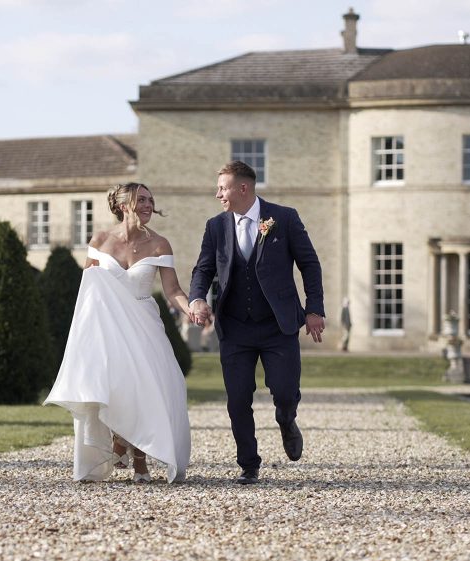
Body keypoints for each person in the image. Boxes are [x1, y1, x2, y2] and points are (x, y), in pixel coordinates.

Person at [189, 160, 325, 485]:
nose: (218, 194)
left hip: (278, 325)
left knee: (286, 392)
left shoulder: (284, 218)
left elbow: (309, 264)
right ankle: (248, 464)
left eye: (222, 188)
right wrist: (197, 298)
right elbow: (203, 268)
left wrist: (314, 309)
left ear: (243, 188)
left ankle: (286, 419)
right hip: (235, 327)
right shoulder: (215, 226)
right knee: (238, 399)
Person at [45, 183, 192, 483]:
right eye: (142, 200)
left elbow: (173, 290)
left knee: (147, 388)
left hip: (143, 325)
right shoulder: (100, 240)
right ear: (124, 206)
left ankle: (137, 455)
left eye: (151, 200)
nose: (149, 205)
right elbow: (88, 289)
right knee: (112, 388)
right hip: (106, 329)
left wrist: (191, 308)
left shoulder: (160, 244)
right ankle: (120, 443)